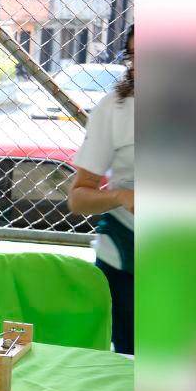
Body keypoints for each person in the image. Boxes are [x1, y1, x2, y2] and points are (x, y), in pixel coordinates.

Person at [67, 27, 135, 354]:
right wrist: (121, 196)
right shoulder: (115, 109)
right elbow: (79, 197)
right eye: (135, 57)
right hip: (127, 257)